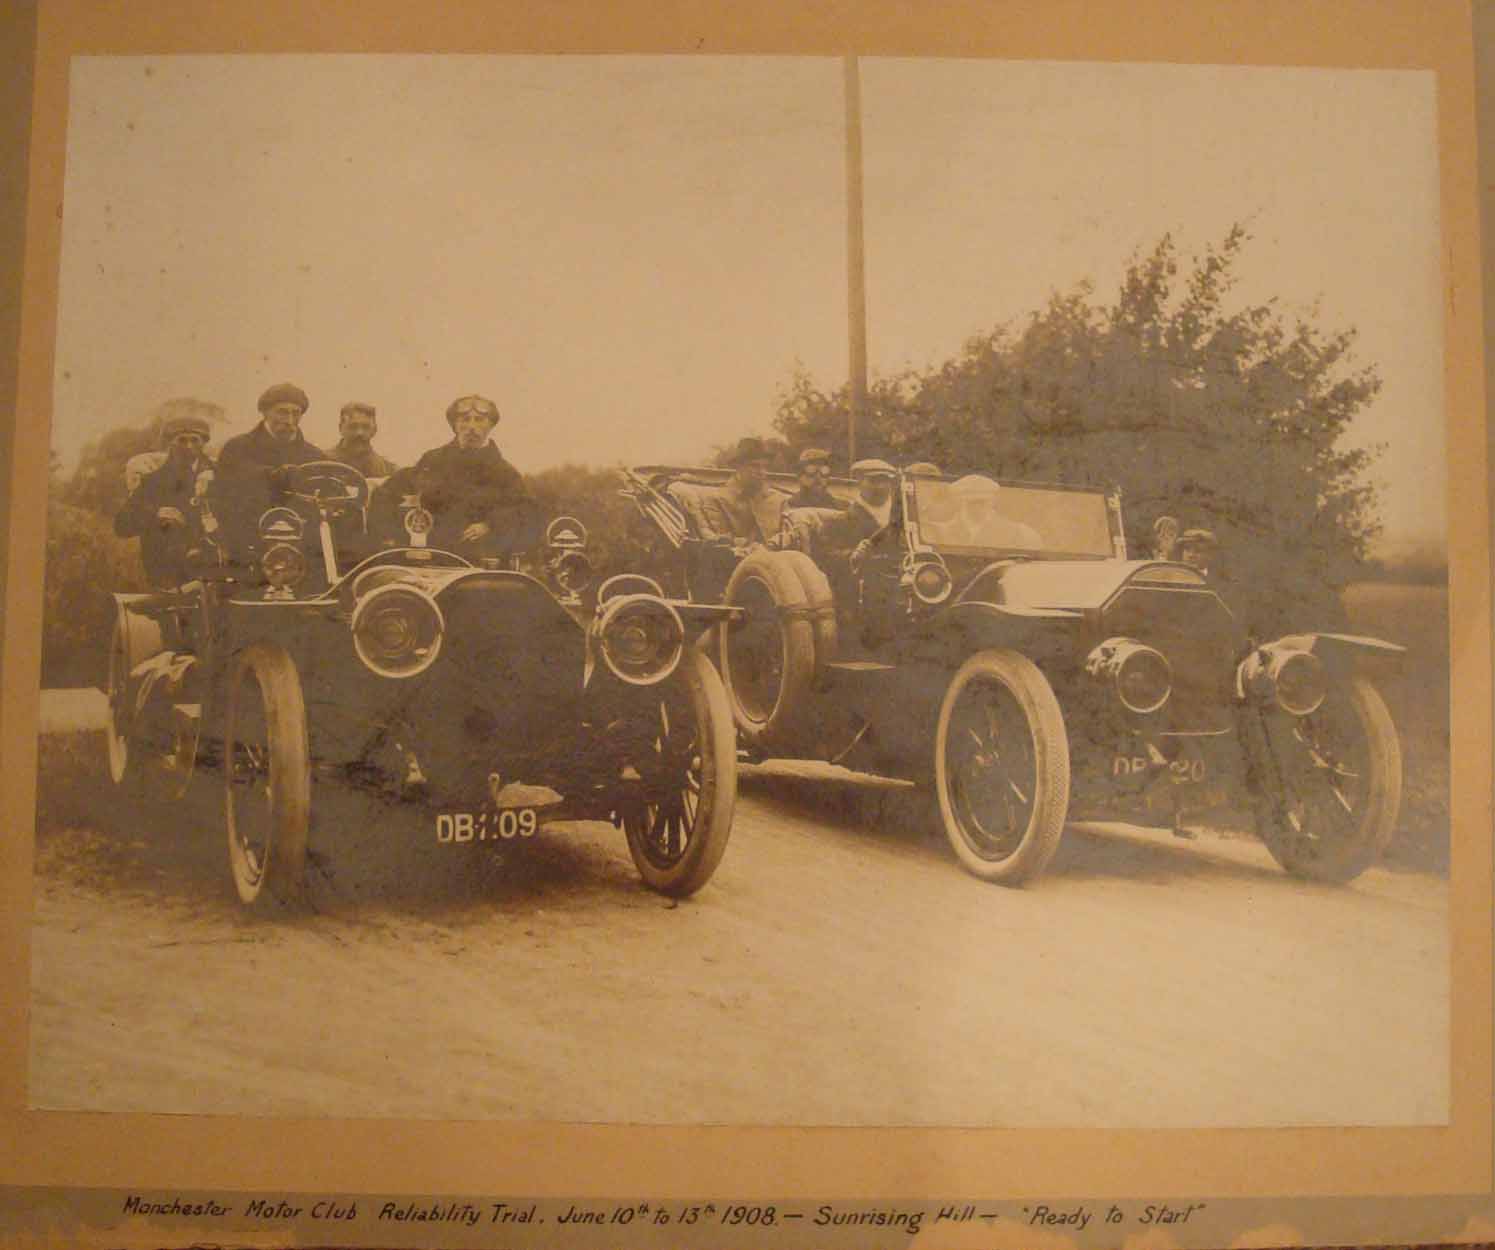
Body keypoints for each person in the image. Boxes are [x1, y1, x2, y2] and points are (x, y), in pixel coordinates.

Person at [401, 393, 539, 558]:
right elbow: (403, 497)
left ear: (490, 425)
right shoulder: (432, 461)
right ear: (454, 425)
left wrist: (490, 524)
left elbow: (525, 511)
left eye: (479, 420)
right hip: (434, 555)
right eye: (465, 419)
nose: (471, 426)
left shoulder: (506, 473)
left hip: (484, 559)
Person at [210, 382, 327, 550]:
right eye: (282, 412)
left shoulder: (315, 456)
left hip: (300, 546)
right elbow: (224, 497)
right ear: (265, 412)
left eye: (296, 413)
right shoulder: (237, 448)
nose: (289, 420)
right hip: (246, 542)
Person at [113, 413, 216, 588]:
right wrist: (154, 514)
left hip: (216, 567)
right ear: (170, 443)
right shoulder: (153, 481)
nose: (189, 446)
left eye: (195, 440)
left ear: (204, 443)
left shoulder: (221, 476)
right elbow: (121, 526)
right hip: (170, 573)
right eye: (182, 440)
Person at [691, 436, 786, 549]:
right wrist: (746, 545)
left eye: (765, 466)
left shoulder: (778, 500)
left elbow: (788, 533)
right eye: (754, 466)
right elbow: (719, 542)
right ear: (739, 467)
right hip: (738, 562)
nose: (761, 472)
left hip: (781, 561)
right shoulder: (717, 500)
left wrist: (776, 543)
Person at [940, 474, 1043, 549]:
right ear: (959, 502)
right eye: (971, 502)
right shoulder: (941, 532)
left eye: (982, 502)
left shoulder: (1020, 533)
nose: (976, 507)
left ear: (993, 502)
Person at [327, 401, 399, 479]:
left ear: (374, 429)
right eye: (353, 426)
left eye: (366, 427)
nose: (359, 433)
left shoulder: (388, 471)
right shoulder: (323, 462)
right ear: (341, 428)